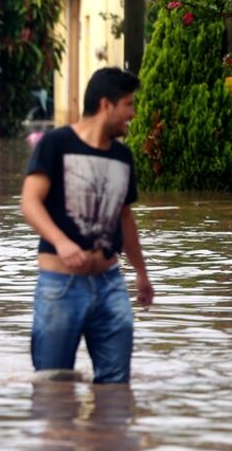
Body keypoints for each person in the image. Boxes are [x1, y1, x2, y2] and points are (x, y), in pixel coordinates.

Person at [21, 67, 154, 384]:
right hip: (60, 285)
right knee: (52, 385)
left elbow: (125, 217)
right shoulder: (56, 143)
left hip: (110, 285)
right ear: (106, 105)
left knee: (117, 387)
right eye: (128, 105)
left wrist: (141, 273)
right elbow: (29, 202)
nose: (133, 114)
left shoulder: (123, 156)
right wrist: (62, 242)